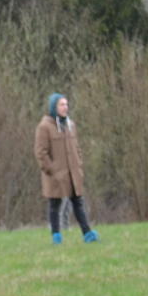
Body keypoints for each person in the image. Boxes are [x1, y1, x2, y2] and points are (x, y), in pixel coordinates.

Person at [35, 93, 98, 243]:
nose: (65, 107)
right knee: (54, 204)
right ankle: (56, 236)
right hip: (55, 175)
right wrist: (52, 170)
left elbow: (76, 148)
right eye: (61, 104)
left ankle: (87, 233)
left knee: (78, 202)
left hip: (73, 173)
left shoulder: (71, 125)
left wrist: (79, 165)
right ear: (54, 107)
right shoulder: (44, 127)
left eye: (66, 104)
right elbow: (41, 152)